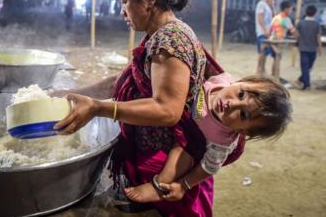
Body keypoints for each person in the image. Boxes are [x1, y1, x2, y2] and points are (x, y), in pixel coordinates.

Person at [52, 0, 244, 217]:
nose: (122, 10)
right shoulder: (158, 35)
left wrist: (98, 108)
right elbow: (117, 83)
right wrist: (67, 95)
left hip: (167, 164)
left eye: (124, 0)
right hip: (152, 157)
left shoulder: (170, 41)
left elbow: (167, 110)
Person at [124, 73, 291, 203]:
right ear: (241, 81)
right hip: (175, 113)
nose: (231, 104)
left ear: (244, 132)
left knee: (183, 150)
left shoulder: (223, 140)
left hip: (187, 140)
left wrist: (183, 185)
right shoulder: (220, 80)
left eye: (242, 114)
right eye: (241, 94)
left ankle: (157, 187)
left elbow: (209, 167)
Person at [294, 5, 322, 90]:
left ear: (306, 12)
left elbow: (296, 34)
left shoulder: (301, 23)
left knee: (305, 66)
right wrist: (320, 49)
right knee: (309, 66)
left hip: (303, 48)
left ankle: (301, 80)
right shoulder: (317, 24)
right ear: (315, 13)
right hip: (313, 49)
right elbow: (318, 37)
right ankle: (307, 84)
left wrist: (298, 40)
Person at [255, 0, 277, 74]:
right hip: (262, 32)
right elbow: (260, 18)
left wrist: (272, 6)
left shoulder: (268, 5)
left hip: (268, 32)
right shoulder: (261, 4)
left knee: (265, 52)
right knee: (262, 52)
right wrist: (265, 31)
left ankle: (262, 69)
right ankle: (260, 70)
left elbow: (275, 17)